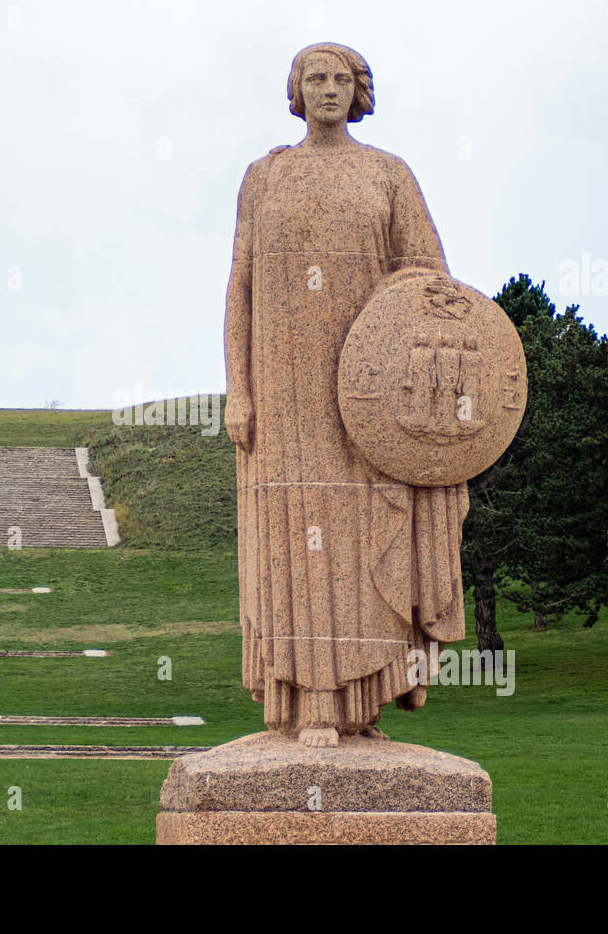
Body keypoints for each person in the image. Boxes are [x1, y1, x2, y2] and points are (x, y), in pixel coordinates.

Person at [223, 42, 469, 748]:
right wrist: (239, 388)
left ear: (359, 92)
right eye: (314, 78)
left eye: (340, 79)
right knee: (298, 545)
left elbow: (431, 280)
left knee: (362, 541)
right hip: (284, 392)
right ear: (295, 91)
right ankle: (312, 703)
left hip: (366, 395)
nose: (327, 89)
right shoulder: (263, 177)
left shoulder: (388, 174)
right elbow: (239, 285)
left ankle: (360, 701)